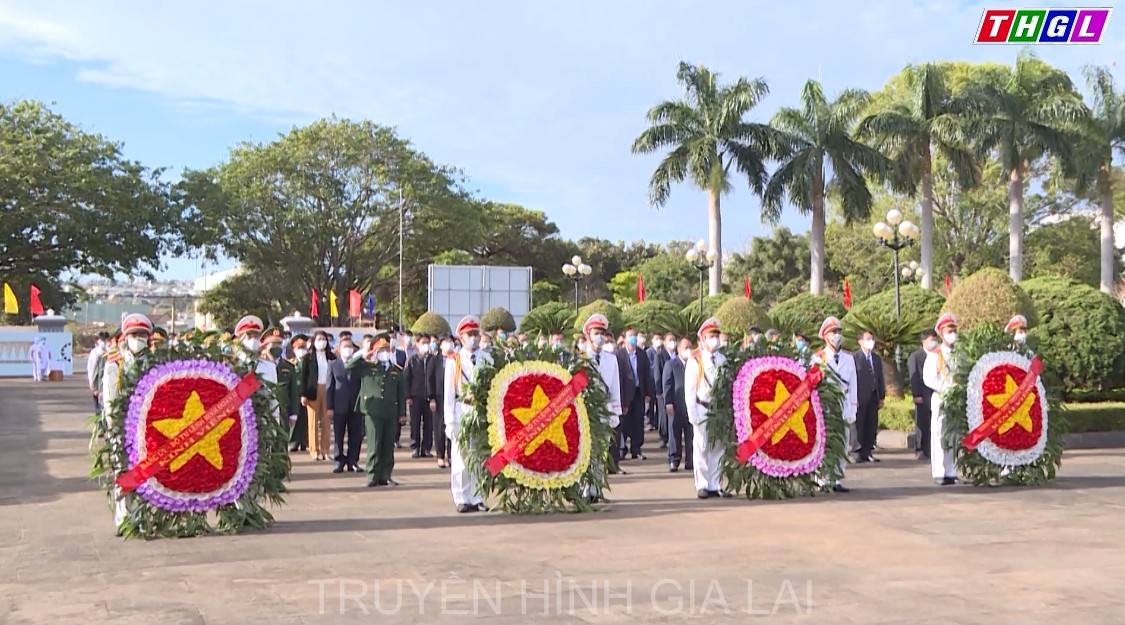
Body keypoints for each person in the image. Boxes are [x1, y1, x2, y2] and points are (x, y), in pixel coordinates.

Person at [102, 313, 153, 533]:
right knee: (123, 472)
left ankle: (140, 517)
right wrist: (114, 427)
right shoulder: (115, 363)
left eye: (142, 334)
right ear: (125, 337)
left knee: (144, 474)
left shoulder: (153, 362)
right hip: (122, 427)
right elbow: (110, 399)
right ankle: (124, 518)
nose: (138, 338)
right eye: (134, 334)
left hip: (145, 430)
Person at [444, 316, 490, 513]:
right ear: (461, 337)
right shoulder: (454, 360)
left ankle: (478, 496)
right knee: (461, 459)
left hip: (481, 414)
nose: (473, 338)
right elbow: (449, 393)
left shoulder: (487, 358)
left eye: (475, 334)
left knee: (480, 457)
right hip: (462, 411)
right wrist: (449, 422)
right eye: (469, 334)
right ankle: (462, 497)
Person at [348, 334, 406, 487]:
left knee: (388, 445)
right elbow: (349, 367)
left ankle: (386, 475)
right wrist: (363, 355)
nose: (384, 353)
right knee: (374, 445)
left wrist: (402, 413)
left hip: (390, 411)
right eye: (380, 350)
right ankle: (372, 475)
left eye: (386, 349)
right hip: (373, 411)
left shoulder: (396, 370)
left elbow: (401, 393)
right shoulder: (367, 367)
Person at [812, 316, 857, 493]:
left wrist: (853, 407)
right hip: (826, 405)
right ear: (825, 336)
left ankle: (837, 478)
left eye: (838, 332)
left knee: (842, 441)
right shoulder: (818, 358)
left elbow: (853, 384)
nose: (837, 335)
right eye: (833, 332)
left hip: (844, 403)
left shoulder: (849, 357)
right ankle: (822, 479)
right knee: (824, 442)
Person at [685, 317, 729, 499]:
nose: (715, 340)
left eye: (716, 336)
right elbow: (690, 390)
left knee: (718, 447)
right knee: (702, 447)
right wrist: (692, 413)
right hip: (702, 407)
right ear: (703, 339)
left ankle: (715, 484)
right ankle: (702, 485)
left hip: (719, 410)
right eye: (711, 336)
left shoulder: (723, 359)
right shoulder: (696, 360)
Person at [581, 314, 622, 502]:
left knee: (600, 451)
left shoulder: (611, 359)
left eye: (602, 333)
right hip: (586, 410)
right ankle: (584, 490)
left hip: (604, 410)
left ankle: (596, 488)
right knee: (585, 452)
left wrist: (615, 412)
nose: (599, 337)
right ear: (588, 335)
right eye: (596, 333)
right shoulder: (581, 358)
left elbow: (615, 387)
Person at [923, 313, 959, 486]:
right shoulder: (936, 354)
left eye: (954, 330)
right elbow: (929, 378)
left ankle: (951, 471)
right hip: (942, 398)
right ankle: (939, 471)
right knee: (940, 434)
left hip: (956, 401)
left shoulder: (960, 353)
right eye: (949, 330)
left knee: (954, 436)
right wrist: (946, 389)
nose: (953, 333)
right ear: (942, 333)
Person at [327, 337, 364, 473]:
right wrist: (329, 407)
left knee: (356, 435)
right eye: (345, 346)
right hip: (339, 405)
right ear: (339, 349)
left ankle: (353, 461)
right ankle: (339, 461)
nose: (347, 349)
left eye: (350, 346)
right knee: (338, 436)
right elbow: (329, 387)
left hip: (356, 405)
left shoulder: (359, 364)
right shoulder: (333, 364)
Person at [300, 330, 336, 461]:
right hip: (313, 391)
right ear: (314, 342)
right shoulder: (308, 358)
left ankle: (325, 450)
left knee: (326, 422)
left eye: (324, 339)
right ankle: (314, 450)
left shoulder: (332, 357)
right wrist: (303, 394)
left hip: (328, 389)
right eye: (319, 339)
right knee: (313, 421)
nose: (322, 342)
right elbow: (303, 377)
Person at [618, 328, 654, 460]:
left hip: (639, 392)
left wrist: (648, 392)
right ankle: (622, 449)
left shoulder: (641, 354)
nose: (633, 338)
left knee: (638, 422)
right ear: (624, 339)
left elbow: (646, 374)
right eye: (630, 336)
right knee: (625, 422)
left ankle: (636, 449)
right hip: (625, 393)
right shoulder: (619, 355)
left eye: (634, 335)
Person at [854, 329, 886, 463]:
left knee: (871, 425)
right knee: (860, 425)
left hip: (874, 396)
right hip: (860, 397)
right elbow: (853, 379)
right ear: (860, 341)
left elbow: (880, 378)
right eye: (867, 339)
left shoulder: (876, 358)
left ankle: (868, 451)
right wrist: (854, 397)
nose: (870, 342)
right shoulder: (855, 358)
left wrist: (882, 396)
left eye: (872, 339)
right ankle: (858, 451)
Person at [663, 336, 694, 473]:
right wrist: (668, 402)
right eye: (686, 347)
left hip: (690, 406)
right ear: (679, 349)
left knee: (690, 434)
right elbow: (667, 384)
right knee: (674, 434)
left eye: (690, 347)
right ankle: (674, 460)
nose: (688, 350)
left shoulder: (694, 364)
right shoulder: (671, 364)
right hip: (676, 405)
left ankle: (690, 461)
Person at [908, 330, 938, 460]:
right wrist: (916, 394)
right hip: (922, 394)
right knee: (922, 421)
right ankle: (920, 448)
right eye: (931, 340)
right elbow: (914, 376)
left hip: (935, 393)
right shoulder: (916, 356)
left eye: (935, 339)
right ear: (924, 341)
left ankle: (930, 448)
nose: (934, 342)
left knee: (933, 422)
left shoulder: (937, 355)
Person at [404, 333, 435, 458]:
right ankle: (415, 447)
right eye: (423, 343)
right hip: (415, 397)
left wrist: (434, 397)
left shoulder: (433, 359)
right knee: (415, 423)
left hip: (429, 397)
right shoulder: (412, 359)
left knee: (429, 424)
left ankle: (426, 448)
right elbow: (406, 379)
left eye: (427, 342)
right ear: (417, 344)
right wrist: (408, 396)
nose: (426, 345)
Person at [428, 336, 453, 468]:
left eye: (450, 342)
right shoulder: (434, 360)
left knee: (452, 427)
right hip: (439, 398)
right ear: (441, 345)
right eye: (446, 342)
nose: (449, 344)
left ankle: (451, 456)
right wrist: (431, 398)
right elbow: (429, 380)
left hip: (452, 399)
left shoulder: (455, 359)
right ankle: (440, 456)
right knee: (439, 429)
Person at [286, 335, 309, 451]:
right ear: (294, 350)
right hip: (295, 395)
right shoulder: (291, 364)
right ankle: (294, 442)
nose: (301, 350)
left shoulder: (309, 363)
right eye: (298, 348)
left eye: (303, 347)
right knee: (295, 420)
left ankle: (305, 441)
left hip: (307, 395)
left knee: (306, 420)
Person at [88, 332, 109, 413]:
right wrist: (92, 382)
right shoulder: (95, 352)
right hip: (98, 380)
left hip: (105, 381)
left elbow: (90, 368)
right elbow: (91, 368)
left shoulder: (110, 350)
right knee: (99, 405)